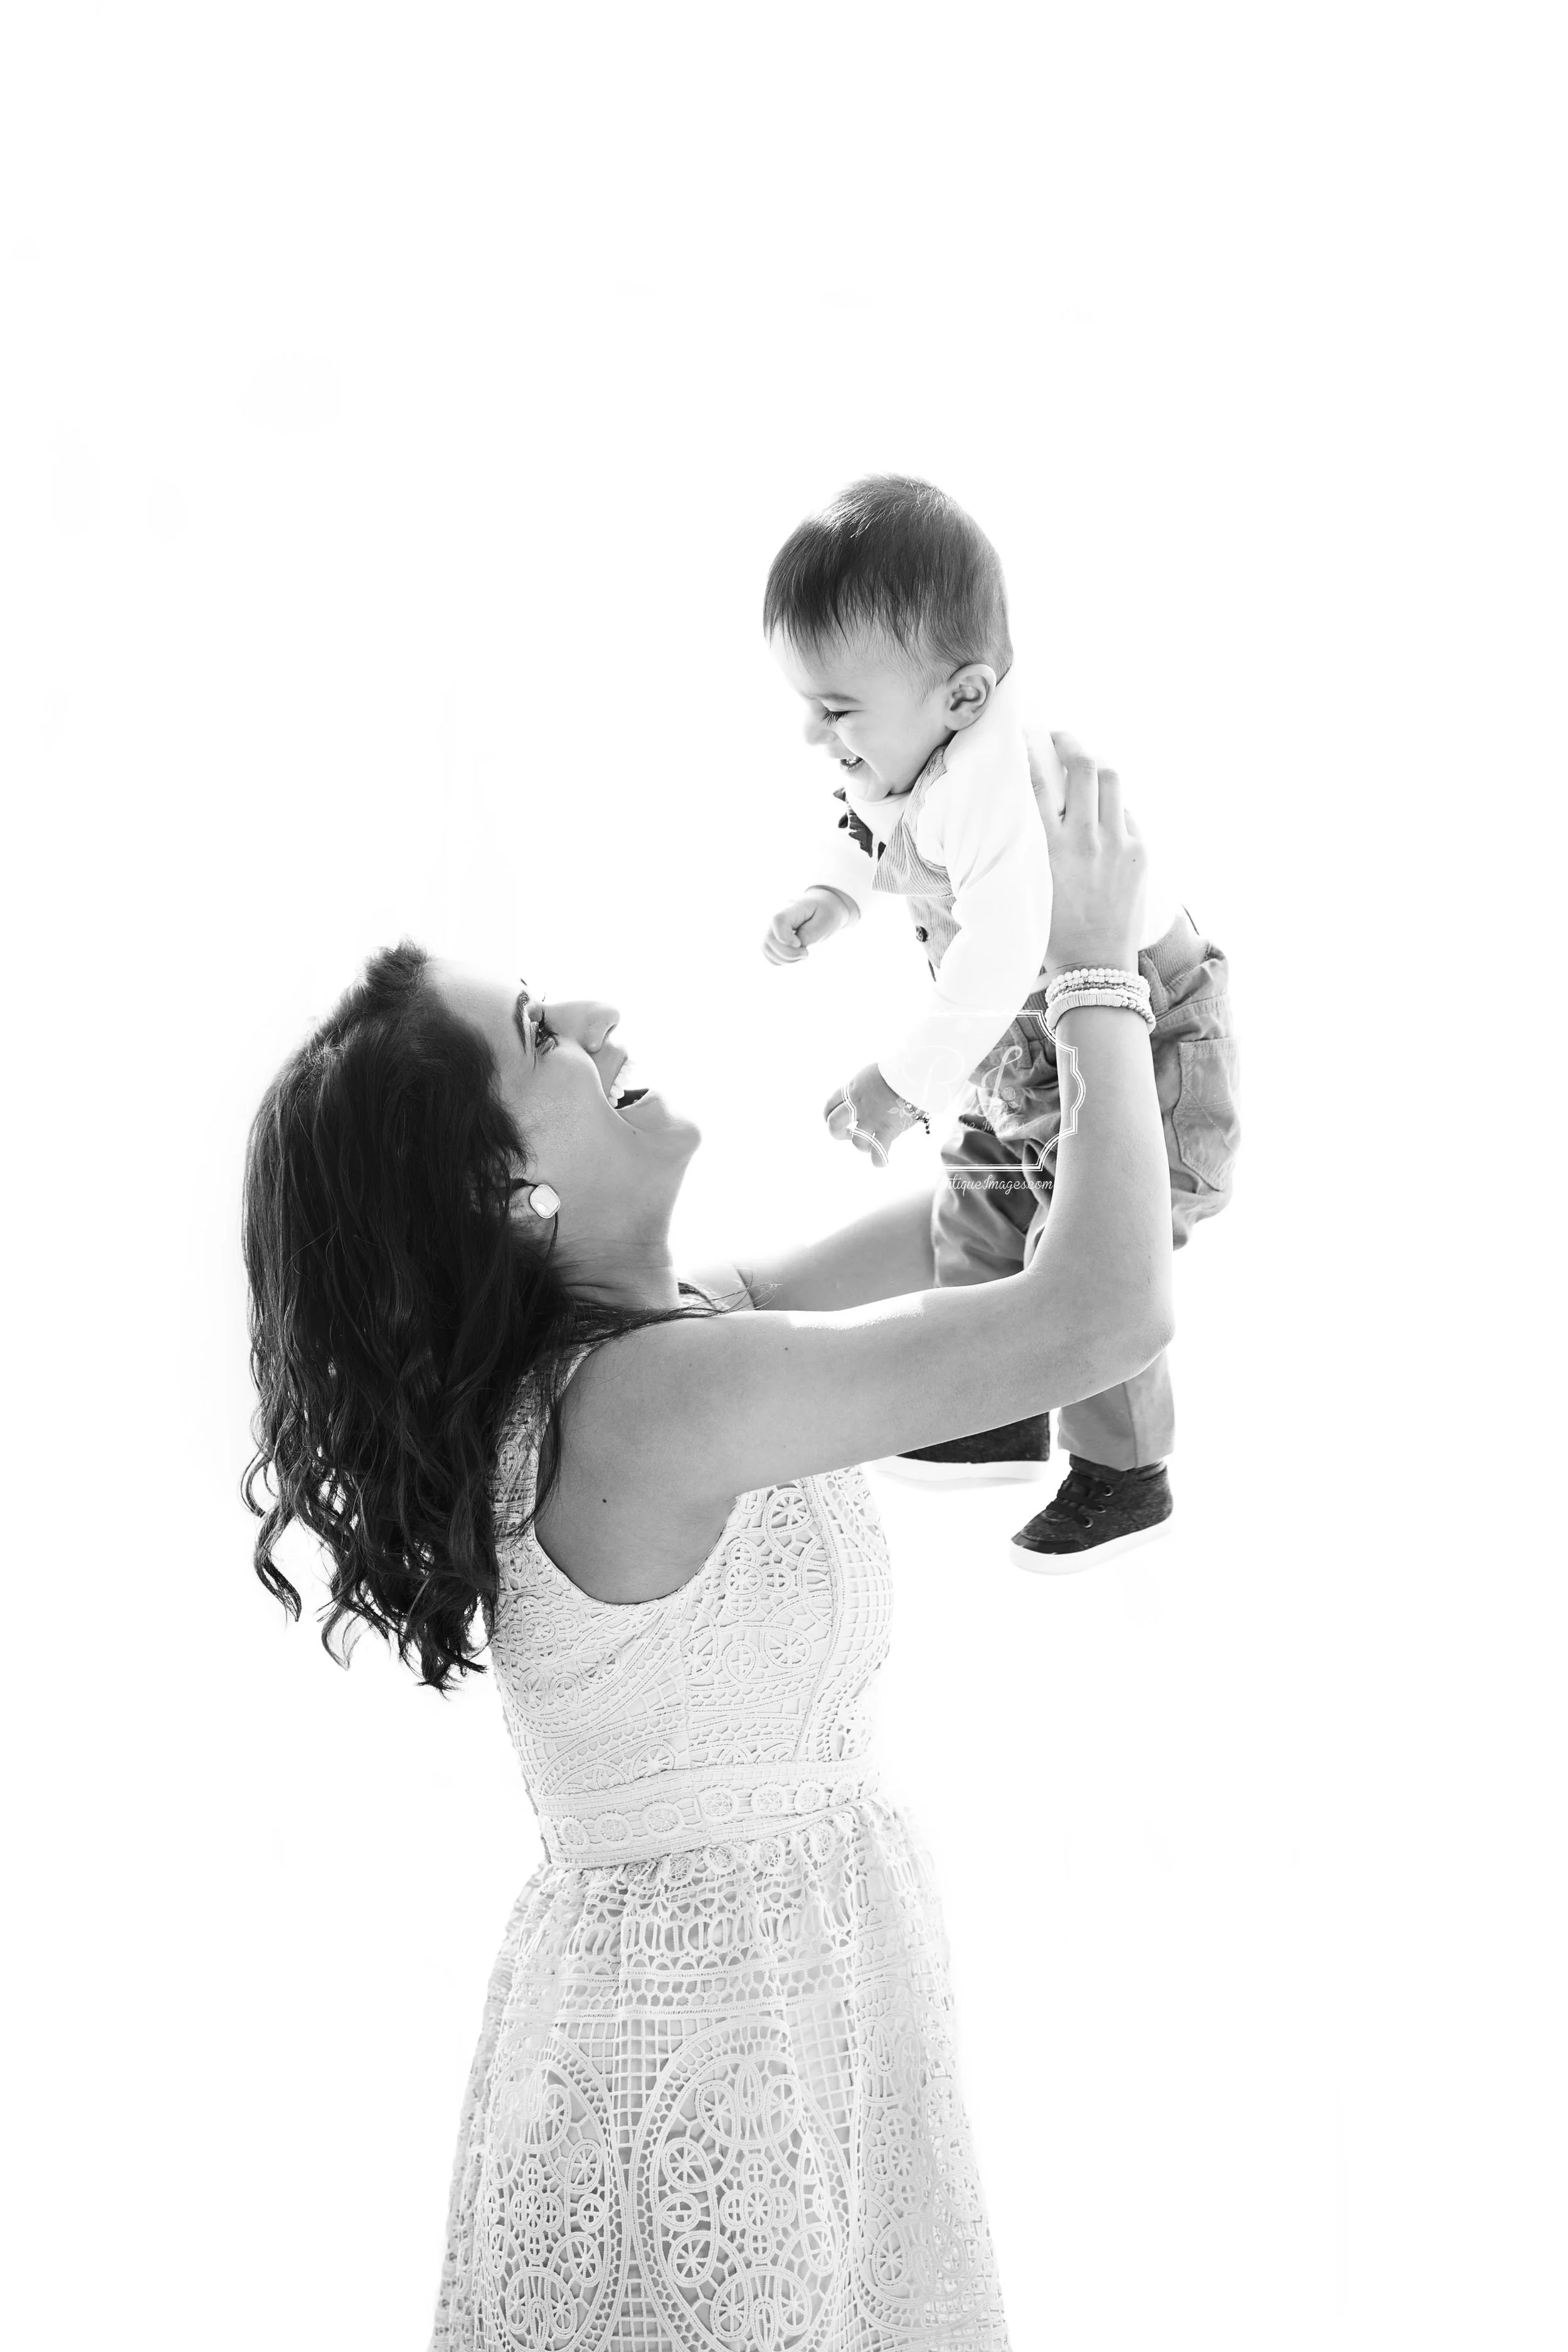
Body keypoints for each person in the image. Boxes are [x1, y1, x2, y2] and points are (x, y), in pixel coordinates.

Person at [243, 742, 1172, 2349]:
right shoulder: (649, 1408)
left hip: (792, 2042)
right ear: (507, 1188)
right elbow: (1093, 1316)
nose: (597, 1014)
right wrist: (1095, 972)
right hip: (705, 2076)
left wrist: (1007, 969)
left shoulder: (672, 1341)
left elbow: (997, 1230)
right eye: (539, 1033)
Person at [762, 476, 1240, 1566]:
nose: (814, 733)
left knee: (1092, 1247)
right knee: (977, 1197)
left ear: (967, 695)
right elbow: (863, 819)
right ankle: (993, 1404)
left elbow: (1003, 955)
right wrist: (833, 894)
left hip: (1143, 1035)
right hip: (1028, 1043)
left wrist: (901, 1081)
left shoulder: (1002, 791)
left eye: (836, 712)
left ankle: (1125, 1470)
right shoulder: (916, 743)